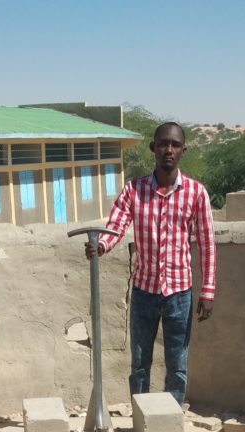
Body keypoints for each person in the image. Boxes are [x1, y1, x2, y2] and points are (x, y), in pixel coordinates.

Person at [86, 122, 216, 408]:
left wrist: (208, 290)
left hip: (180, 295)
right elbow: (116, 227)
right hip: (144, 292)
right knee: (140, 365)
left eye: (175, 145)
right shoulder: (134, 190)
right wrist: (102, 246)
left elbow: (207, 244)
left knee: (177, 366)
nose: (168, 150)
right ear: (153, 148)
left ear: (183, 150)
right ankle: (140, 420)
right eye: (162, 144)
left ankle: (170, 423)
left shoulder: (196, 193)